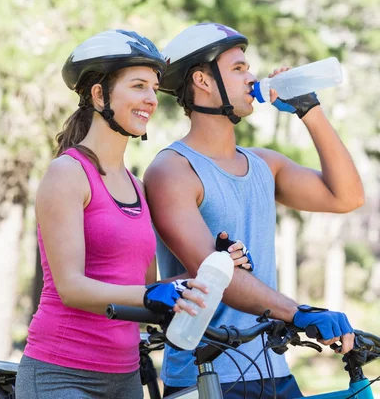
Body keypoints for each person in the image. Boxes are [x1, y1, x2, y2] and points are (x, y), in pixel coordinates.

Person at [15, 29, 249, 399]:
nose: (150, 99)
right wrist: (149, 297)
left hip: (124, 376)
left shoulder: (137, 187)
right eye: (138, 86)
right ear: (98, 94)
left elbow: (148, 290)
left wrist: (215, 266)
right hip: (62, 374)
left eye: (154, 89)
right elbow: (71, 288)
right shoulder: (68, 174)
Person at [144, 23, 365, 397]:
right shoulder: (173, 170)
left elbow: (347, 197)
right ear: (203, 80)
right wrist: (299, 312)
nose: (253, 77)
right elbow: (210, 273)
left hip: (272, 369)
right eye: (239, 68)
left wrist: (308, 109)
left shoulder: (265, 165)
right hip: (205, 377)